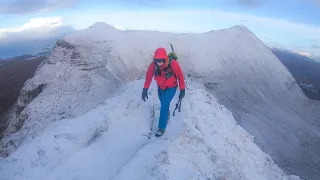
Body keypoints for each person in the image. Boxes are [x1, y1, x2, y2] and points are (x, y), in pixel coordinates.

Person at [142, 47, 185, 137]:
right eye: (157, 60)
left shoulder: (173, 64)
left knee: (164, 104)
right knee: (163, 103)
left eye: (161, 60)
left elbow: (180, 76)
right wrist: (145, 89)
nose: (159, 63)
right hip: (161, 87)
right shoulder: (153, 65)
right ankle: (166, 115)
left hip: (171, 87)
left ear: (165, 58)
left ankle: (161, 128)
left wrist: (182, 89)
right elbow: (148, 77)